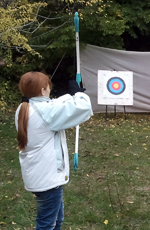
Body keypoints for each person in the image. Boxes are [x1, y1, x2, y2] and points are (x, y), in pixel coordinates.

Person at [15, 71, 93, 230]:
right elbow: (83, 108)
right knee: (47, 224)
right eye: (48, 87)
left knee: (56, 220)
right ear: (43, 90)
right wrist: (78, 94)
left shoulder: (24, 108)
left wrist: (69, 96)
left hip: (39, 175)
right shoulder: (46, 112)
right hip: (48, 179)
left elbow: (53, 105)